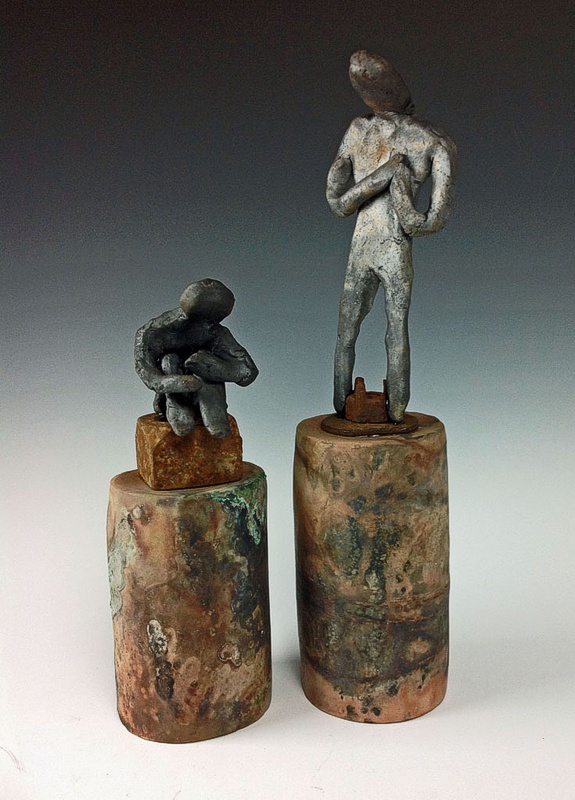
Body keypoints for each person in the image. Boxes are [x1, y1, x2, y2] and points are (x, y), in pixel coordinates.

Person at [327, 50, 457, 422]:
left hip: (379, 245)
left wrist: (397, 195)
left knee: (373, 327)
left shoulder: (424, 140)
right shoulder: (424, 139)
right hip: (382, 245)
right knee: (369, 327)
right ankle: (368, 405)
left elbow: (339, 202)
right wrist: (388, 181)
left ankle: (386, 406)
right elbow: (427, 220)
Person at [134, 278, 258, 437]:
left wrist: (218, 369)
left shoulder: (215, 332)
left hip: (206, 384)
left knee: (205, 364)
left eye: (212, 320)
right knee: (170, 360)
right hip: (172, 380)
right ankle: (178, 407)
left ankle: (213, 412)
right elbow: (147, 371)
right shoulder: (154, 331)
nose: (206, 325)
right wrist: (174, 382)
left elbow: (248, 372)